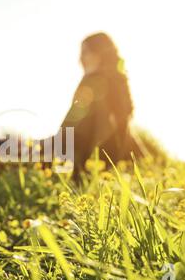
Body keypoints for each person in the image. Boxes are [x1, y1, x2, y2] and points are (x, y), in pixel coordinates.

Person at [61, 32, 142, 178]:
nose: (80, 59)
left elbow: (71, 130)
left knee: (19, 153)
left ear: (100, 54)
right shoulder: (116, 81)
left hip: (95, 166)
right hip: (113, 167)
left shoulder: (94, 83)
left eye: (85, 52)